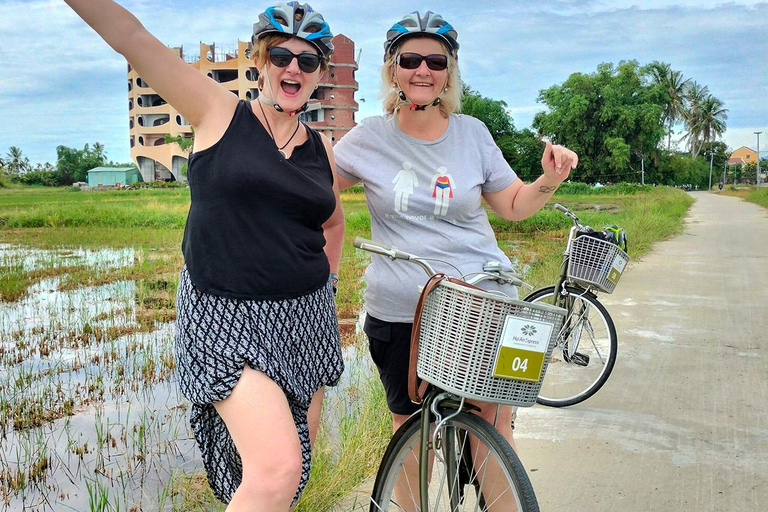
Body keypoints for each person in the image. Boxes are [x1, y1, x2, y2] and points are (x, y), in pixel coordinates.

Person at [63, 1, 345, 511]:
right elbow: (131, 36)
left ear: (321, 72)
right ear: (260, 60)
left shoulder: (319, 147)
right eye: (281, 55)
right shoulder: (218, 111)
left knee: (289, 474)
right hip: (224, 317)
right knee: (276, 469)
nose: (293, 68)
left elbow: (332, 222)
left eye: (309, 60)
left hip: (306, 319)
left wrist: (331, 283)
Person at [332, 9, 577, 458]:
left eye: (436, 61)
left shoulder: (474, 135)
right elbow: (310, 187)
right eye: (410, 60)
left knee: (495, 424)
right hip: (403, 310)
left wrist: (549, 179)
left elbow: (513, 205)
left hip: (482, 304)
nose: (423, 69)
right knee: (410, 433)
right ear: (392, 70)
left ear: (449, 74)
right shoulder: (368, 138)